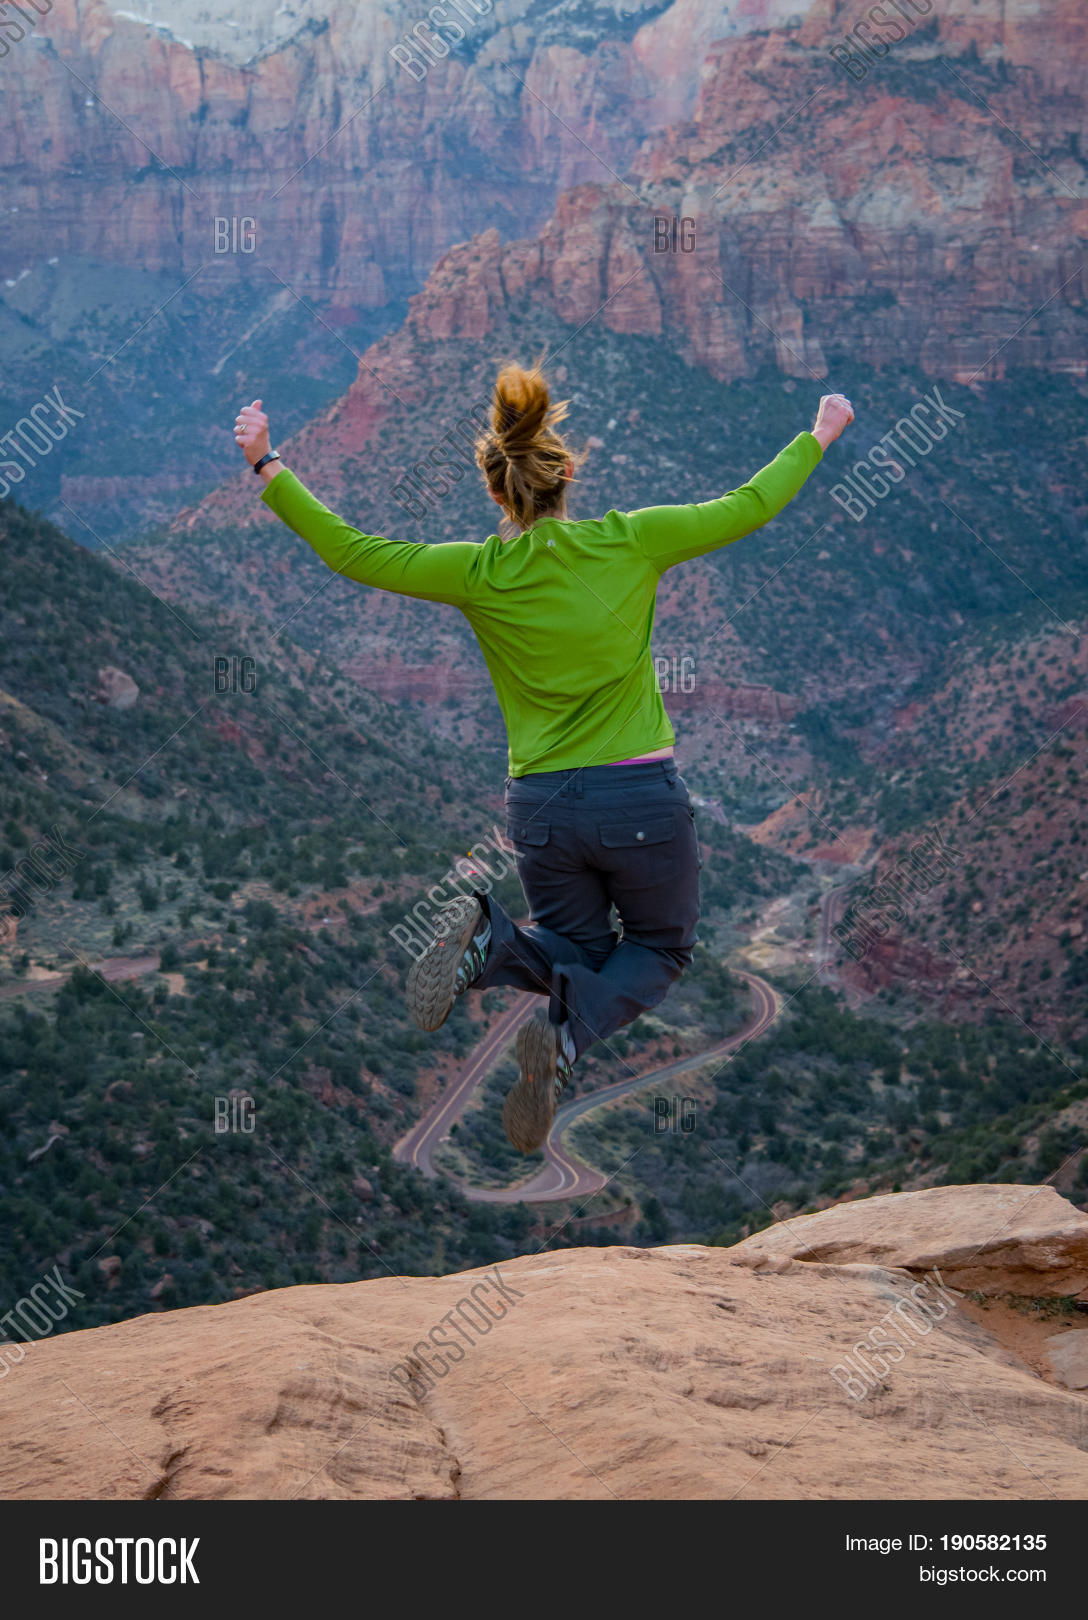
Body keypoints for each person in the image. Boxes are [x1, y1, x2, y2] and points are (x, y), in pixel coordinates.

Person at [234, 369, 853, 1153]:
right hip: (638, 798)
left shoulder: (478, 572)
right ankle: (566, 1034)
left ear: (498, 494)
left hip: (541, 808)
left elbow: (353, 552)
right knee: (660, 948)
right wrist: (819, 434)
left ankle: (493, 945)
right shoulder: (632, 539)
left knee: (579, 947)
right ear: (565, 479)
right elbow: (749, 504)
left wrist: (267, 463)